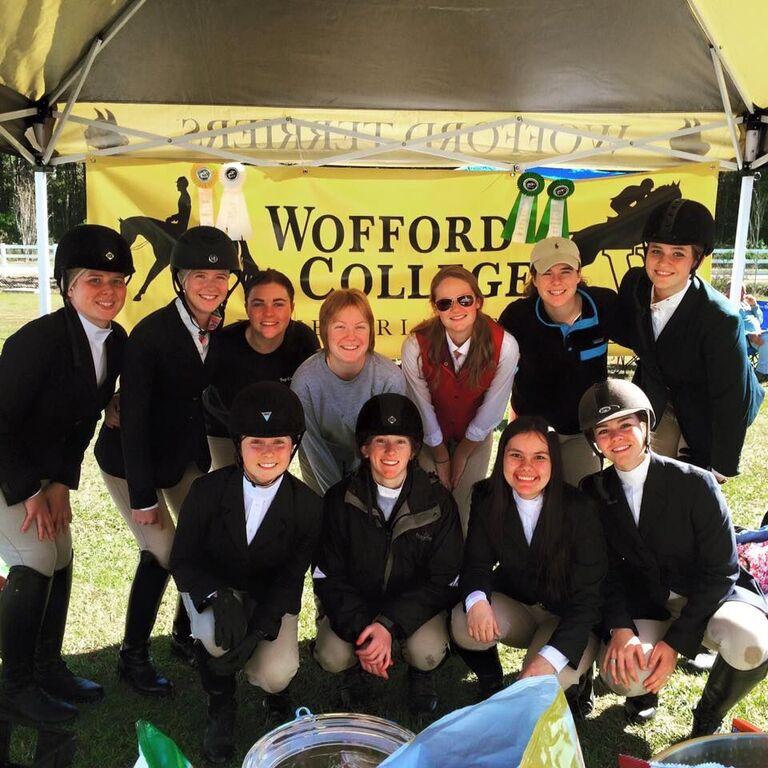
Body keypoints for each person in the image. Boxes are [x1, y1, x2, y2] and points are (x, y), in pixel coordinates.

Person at [96, 225, 240, 696]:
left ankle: (182, 635)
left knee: (202, 536)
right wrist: (142, 497)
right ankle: (132, 656)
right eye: (200, 275)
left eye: (220, 278)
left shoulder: (218, 331)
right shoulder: (151, 334)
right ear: (179, 279)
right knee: (162, 552)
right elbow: (133, 421)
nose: (211, 286)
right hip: (130, 458)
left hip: (180, 454)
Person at [579, 378, 768, 734]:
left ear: (646, 424)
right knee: (624, 677)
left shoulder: (697, 483)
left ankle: (709, 713)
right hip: (647, 601)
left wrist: (675, 643)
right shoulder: (592, 491)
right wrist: (620, 628)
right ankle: (643, 695)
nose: (615, 437)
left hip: (708, 597)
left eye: (625, 424)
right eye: (602, 430)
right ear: (593, 441)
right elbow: (600, 570)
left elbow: (721, 571)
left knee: (753, 643)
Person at [0, 224, 133, 723]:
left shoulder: (114, 341)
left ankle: (48, 667)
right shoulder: (37, 342)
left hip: (42, 470)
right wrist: (31, 489)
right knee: (35, 554)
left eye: (117, 280)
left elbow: (82, 422)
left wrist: (59, 483)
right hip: (7, 462)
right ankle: (13, 686)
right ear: (68, 285)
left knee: (61, 550)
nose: (108, 291)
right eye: (94, 279)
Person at [171, 382, 322, 764]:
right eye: (256, 442)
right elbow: (184, 560)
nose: (268, 454)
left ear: (295, 445)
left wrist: (259, 630)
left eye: (279, 443)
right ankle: (220, 705)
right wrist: (216, 596)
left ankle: (277, 697)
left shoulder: (307, 506)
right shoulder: (206, 491)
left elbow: (291, 577)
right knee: (212, 636)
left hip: (268, 597)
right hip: (217, 588)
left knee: (277, 670)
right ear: (238, 446)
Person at [313, 393, 463, 714]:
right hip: (358, 607)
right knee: (331, 654)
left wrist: (388, 624)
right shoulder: (339, 500)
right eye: (380, 441)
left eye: (400, 441)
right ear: (365, 449)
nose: (391, 451)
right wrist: (365, 632)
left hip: (410, 610)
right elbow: (327, 575)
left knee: (428, 651)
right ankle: (355, 670)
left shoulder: (438, 502)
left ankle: (420, 675)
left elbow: (446, 580)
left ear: (414, 450)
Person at [451, 416, 606, 717]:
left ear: (554, 462)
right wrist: (478, 601)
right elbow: (476, 563)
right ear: (502, 457)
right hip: (520, 606)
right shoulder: (486, 496)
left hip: (568, 617)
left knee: (538, 684)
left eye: (539, 457)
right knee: (462, 621)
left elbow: (589, 597)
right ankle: (490, 678)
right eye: (516, 455)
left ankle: (579, 681)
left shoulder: (580, 508)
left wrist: (549, 658)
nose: (526, 467)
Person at [615, 198, 764, 480]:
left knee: (689, 489)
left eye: (678, 254)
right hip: (659, 394)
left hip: (706, 406)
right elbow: (629, 332)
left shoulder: (720, 318)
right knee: (647, 478)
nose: (663, 263)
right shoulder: (634, 285)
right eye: (656, 250)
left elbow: (731, 398)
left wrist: (719, 466)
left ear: (697, 259)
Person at [402, 266, 519, 532]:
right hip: (430, 434)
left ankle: (461, 570)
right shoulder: (415, 345)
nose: (456, 309)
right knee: (427, 506)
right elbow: (421, 406)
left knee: (464, 506)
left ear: (478, 301)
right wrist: (442, 456)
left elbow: (493, 407)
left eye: (464, 300)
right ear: (436, 308)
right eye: (445, 303)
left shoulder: (505, 344)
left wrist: (464, 452)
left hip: (476, 434)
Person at [499, 237, 617, 486]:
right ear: (534, 278)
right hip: (533, 433)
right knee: (527, 504)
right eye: (547, 273)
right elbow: (498, 372)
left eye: (565, 271)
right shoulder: (517, 317)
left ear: (578, 274)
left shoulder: (605, 305)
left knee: (583, 501)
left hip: (581, 431)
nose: (556, 281)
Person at [290, 289, 406, 495]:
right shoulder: (305, 380)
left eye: (360, 327)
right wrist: (338, 499)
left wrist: (362, 499)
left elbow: (387, 446)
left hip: (371, 468)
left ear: (371, 331)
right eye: (340, 327)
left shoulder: (390, 378)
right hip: (319, 468)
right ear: (325, 331)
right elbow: (313, 446)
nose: (350, 336)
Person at [205, 268, 319, 469]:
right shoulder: (223, 344)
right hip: (226, 430)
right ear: (246, 307)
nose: (269, 313)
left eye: (278, 304)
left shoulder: (303, 340)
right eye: (258, 304)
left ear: (291, 308)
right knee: (231, 489)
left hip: (279, 431)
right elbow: (211, 400)